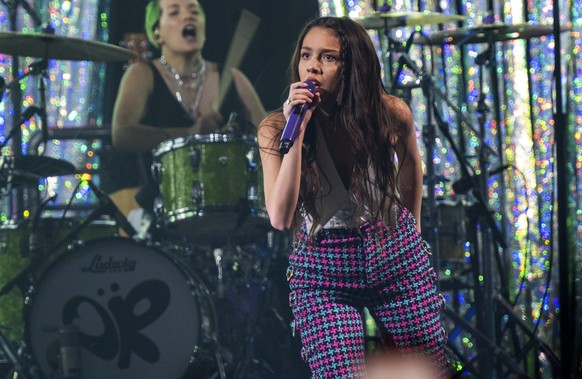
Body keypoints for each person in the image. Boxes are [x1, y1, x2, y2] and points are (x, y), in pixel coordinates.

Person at [258, 16, 453, 378]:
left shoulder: (390, 113)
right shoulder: (275, 129)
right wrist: (297, 134)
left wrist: (412, 235)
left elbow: (412, 167)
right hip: (322, 270)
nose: (312, 66)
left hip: (392, 253)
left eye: (328, 58)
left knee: (428, 370)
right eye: (306, 55)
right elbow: (281, 217)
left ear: (353, 67)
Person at [108, 0, 262, 234]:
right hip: (164, 211)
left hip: (231, 210)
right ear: (156, 33)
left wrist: (240, 133)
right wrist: (189, 134)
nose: (187, 17)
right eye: (174, 12)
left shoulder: (232, 77)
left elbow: (269, 135)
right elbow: (122, 135)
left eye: (194, 12)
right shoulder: (141, 74)